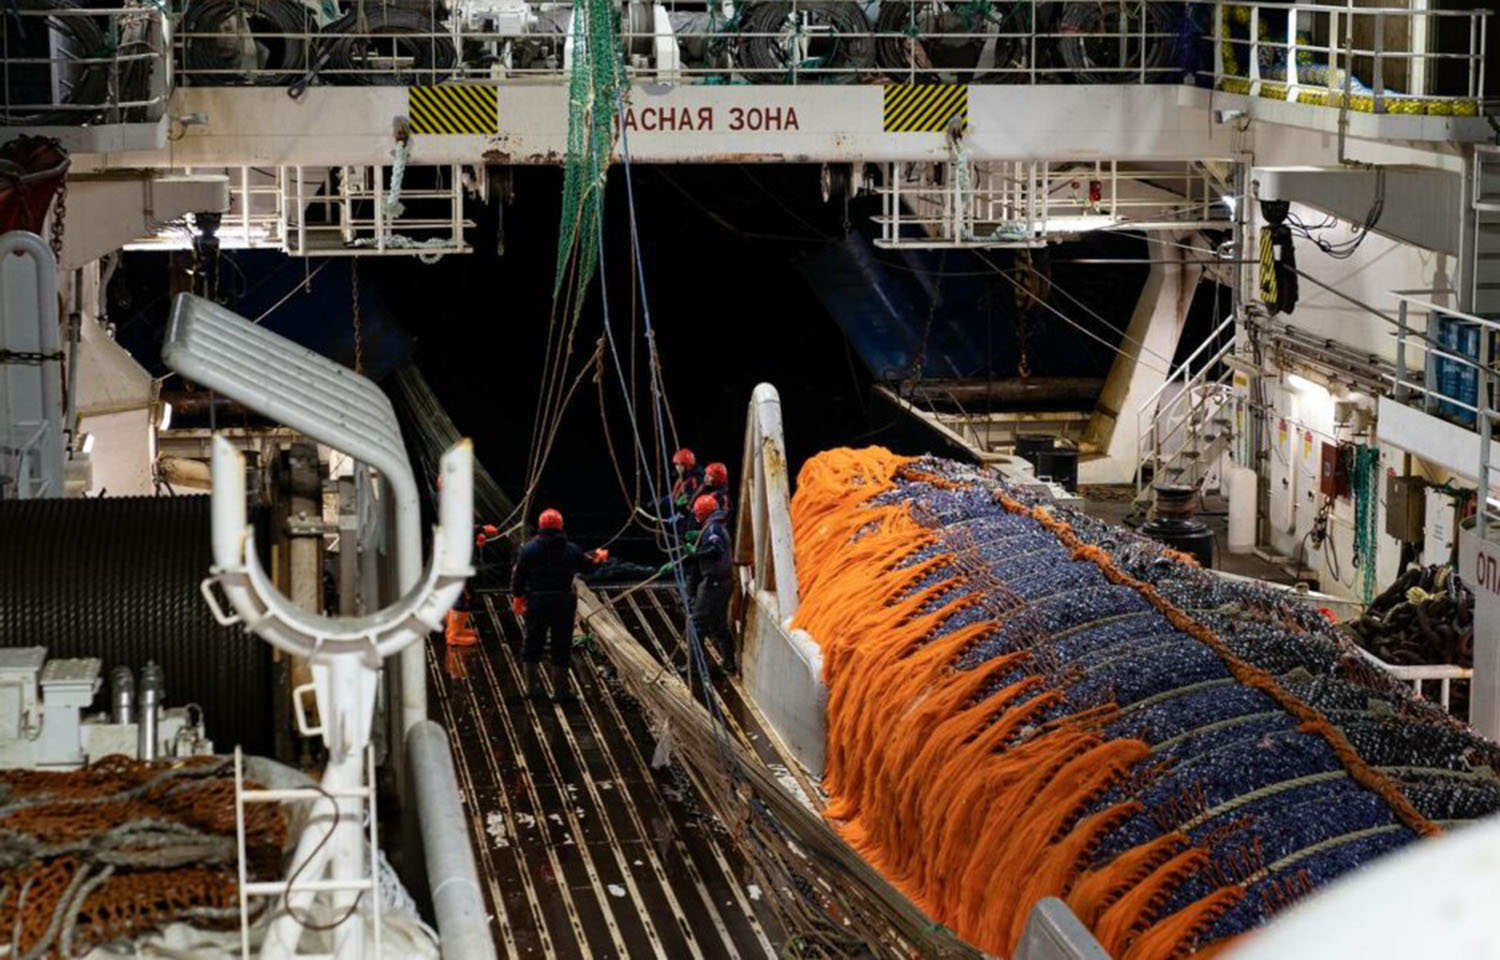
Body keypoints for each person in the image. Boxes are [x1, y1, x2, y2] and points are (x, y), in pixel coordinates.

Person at [510, 508, 607, 701]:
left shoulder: (528, 549)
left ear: (540, 526)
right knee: (561, 644)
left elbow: (518, 576)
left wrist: (518, 597)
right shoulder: (571, 549)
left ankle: (530, 688)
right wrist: (600, 558)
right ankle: (560, 691)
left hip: (537, 600)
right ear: (561, 526)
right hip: (563, 601)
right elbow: (588, 567)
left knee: (533, 642)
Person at [687, 493, 735, 675]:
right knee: (718, 624)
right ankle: (729, 662)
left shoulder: (713, 529)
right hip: (722, 583)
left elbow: (715, 549)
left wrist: (695, 553)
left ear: (701, 513)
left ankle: (696, 668)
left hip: (713, 583)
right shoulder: (716, 526)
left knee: (696, 624)